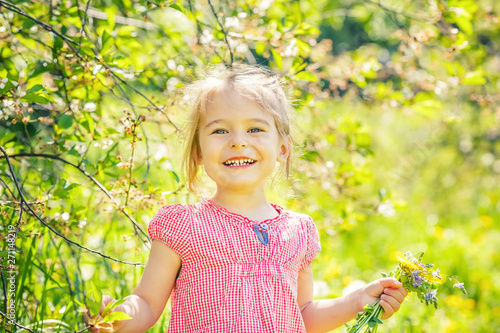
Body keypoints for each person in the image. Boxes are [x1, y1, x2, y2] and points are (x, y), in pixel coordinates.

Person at [85, 65, 408, 333]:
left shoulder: (299, 231)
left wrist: (355, 301)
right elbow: (148, 302)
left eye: (255, 129)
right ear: (198, 151)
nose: (238, 142)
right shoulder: (182, 225)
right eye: (219, 131)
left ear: (282, 148)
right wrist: (117, 319)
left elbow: (303, 316)